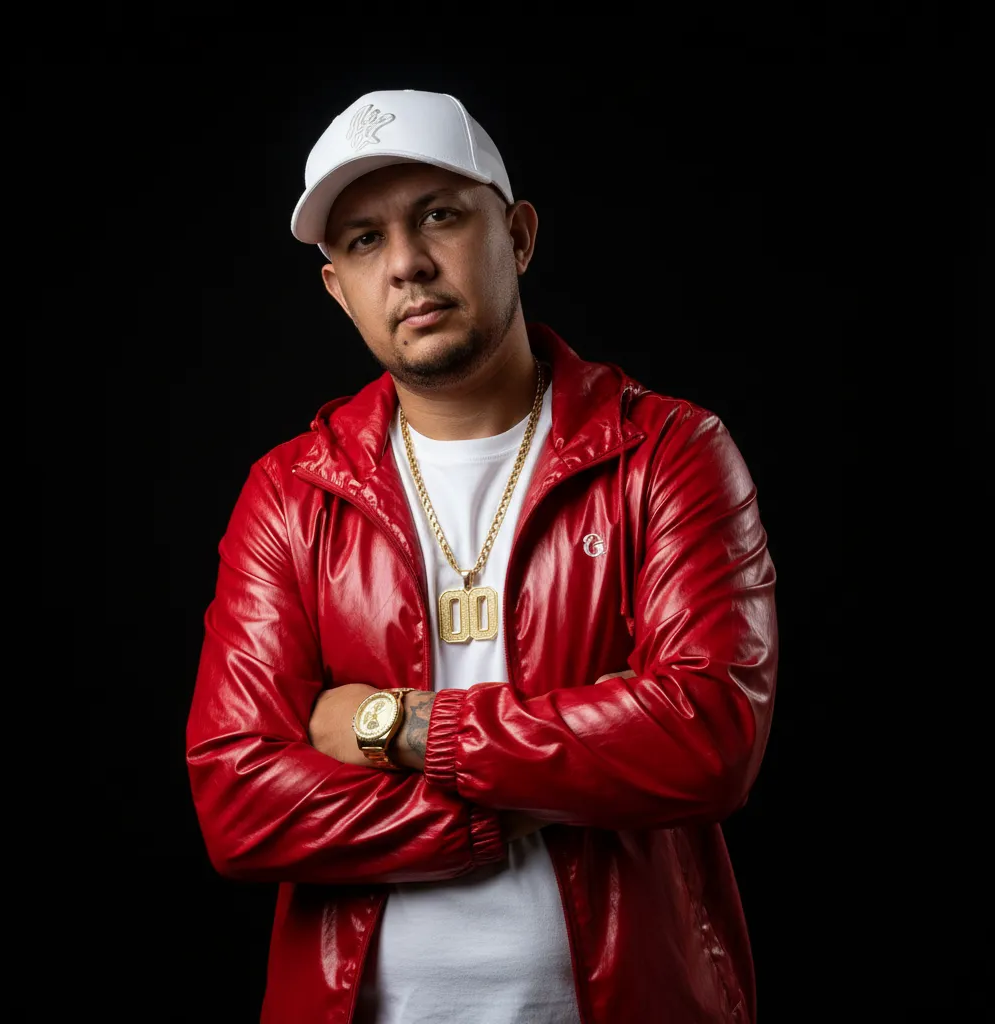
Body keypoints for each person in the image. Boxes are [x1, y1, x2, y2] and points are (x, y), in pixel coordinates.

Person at [187, 88, 778, 1024]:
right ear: (338, 288)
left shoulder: (666, 453)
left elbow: (709, 736)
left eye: (438, 216)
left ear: (519, 235)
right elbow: (238, 804)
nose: (407, 265)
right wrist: (541, 790)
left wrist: (399, 727)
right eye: (365, 241)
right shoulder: (291, 494)